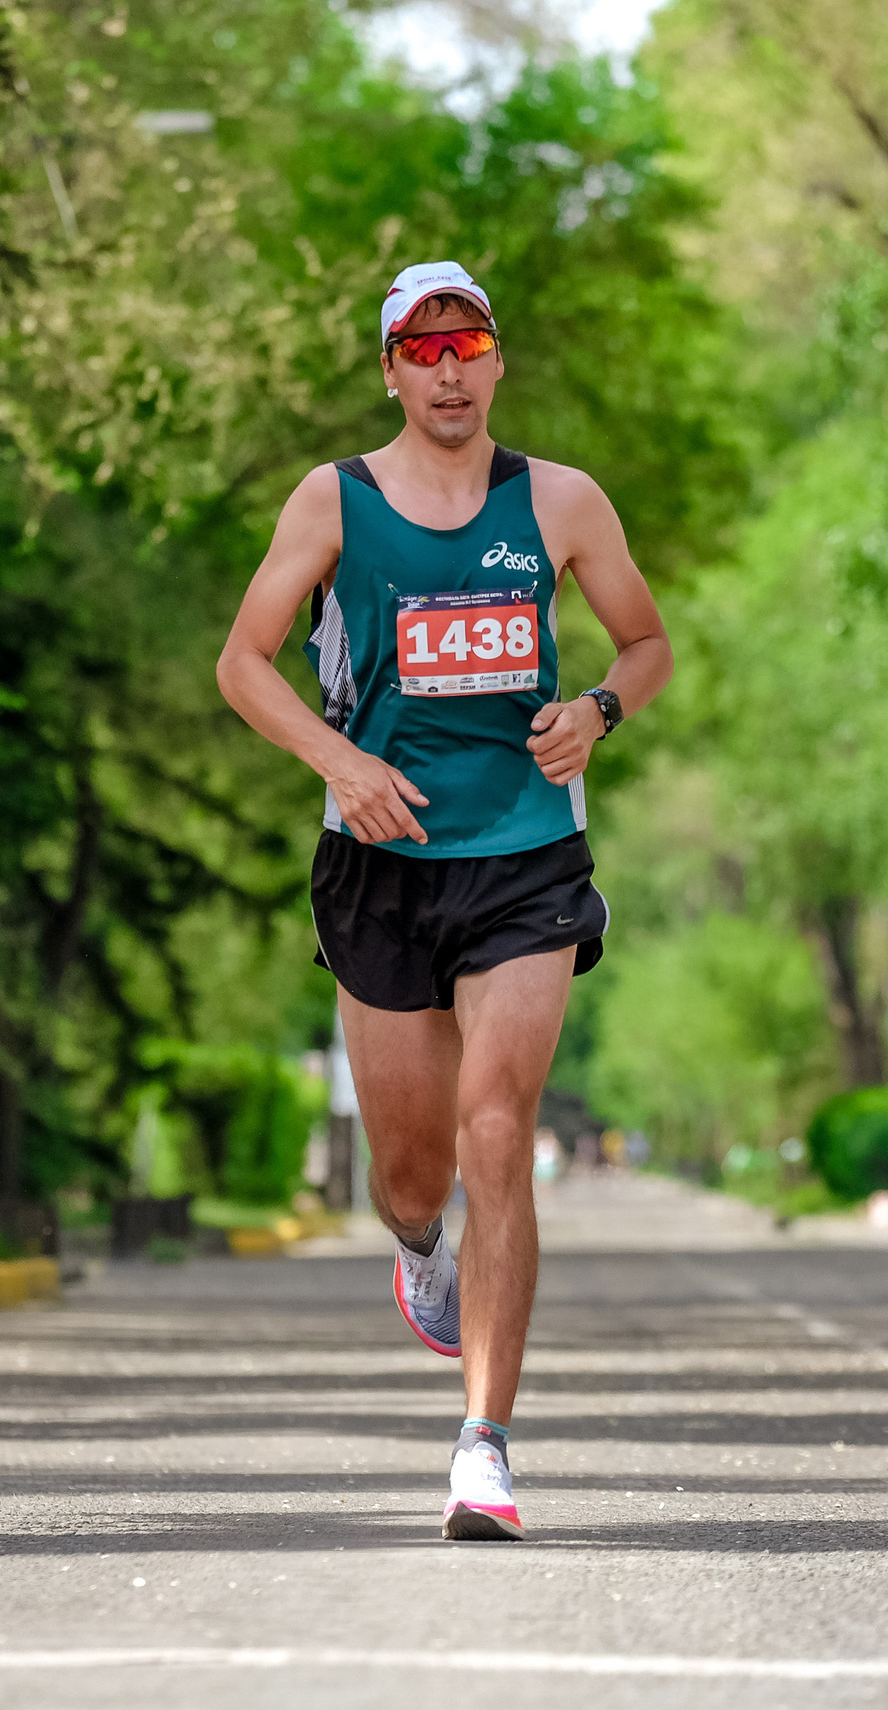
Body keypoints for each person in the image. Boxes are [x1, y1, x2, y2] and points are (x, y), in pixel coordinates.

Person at [214, 260, 672, 1541]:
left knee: (493, 1132)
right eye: (422, 351)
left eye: (465, 343)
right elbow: (242, 662)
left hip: (526, 854)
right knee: (414, 1172)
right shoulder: (335, 503)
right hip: (380, 858)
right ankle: (420, 1251)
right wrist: (341, 763)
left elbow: (648, 642)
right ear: (392, 373)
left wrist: (597, 710)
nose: (448, 368)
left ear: (496, 360)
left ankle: (485, 1444)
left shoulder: (562, 501)